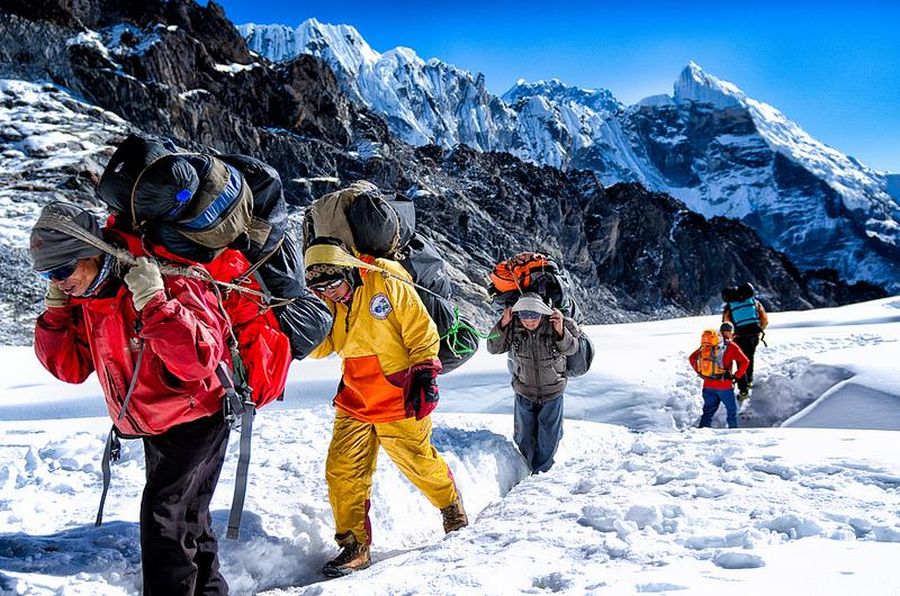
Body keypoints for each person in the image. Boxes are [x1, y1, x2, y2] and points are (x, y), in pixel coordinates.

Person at [31, 202, 233, 595]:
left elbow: (199, 360)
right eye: (48, 275)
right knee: (189, 517)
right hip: (159, 421)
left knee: (164, 519)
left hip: (199, 415)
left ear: (90, 253)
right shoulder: (89, 296)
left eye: (62, 270)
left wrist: (156, 304)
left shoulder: (162, 278)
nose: (58, 282)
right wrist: (56, 314)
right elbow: (69, 368)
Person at [304, 239, 467, 578]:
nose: (331, 293)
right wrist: (306, 328)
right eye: (321, 289)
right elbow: (327, 347)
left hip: (399, 391)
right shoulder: (329, 301)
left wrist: (426, 372)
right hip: (355, 396)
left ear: (348, 269)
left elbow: (418, 326)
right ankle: (354, 545)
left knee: (417, 461)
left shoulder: (384, 277)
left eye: (333, 284)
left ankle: (450, 506)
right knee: (342, 469)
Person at [486, 292, 579, 474]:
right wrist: (502, 324)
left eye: (534, 316)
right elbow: (493, 347)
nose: (529, 321)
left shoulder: (557, 324)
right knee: (523, 436)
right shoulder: (513, 326)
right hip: (524, 390)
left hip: (552, 391)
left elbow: (572, 348)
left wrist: (561, 331)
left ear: (542, 313)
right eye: (524, 315)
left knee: (548, 439)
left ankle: (540, 473)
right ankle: (525, 468)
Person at [689, 322, 750, 429]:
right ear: (731, 333)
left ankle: (700, 434)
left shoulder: (709, 345)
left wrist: (701, 372)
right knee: (732, 411)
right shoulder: (732, 346)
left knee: (707, 413)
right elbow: (745, 361)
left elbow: (692, 358)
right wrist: (736, 376)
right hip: (725, 386)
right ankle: (733, 432)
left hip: (708, 385)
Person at [722, 282, 768, 401]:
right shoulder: (754, 303)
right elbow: (764, 320)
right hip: (753, 335)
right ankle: (749, 381)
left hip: (738, 337)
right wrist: (759, 330)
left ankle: (743, 390)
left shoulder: (730, 307)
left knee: (740, 361)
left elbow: (727, 325)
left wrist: (730, 339)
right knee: (749, 358)